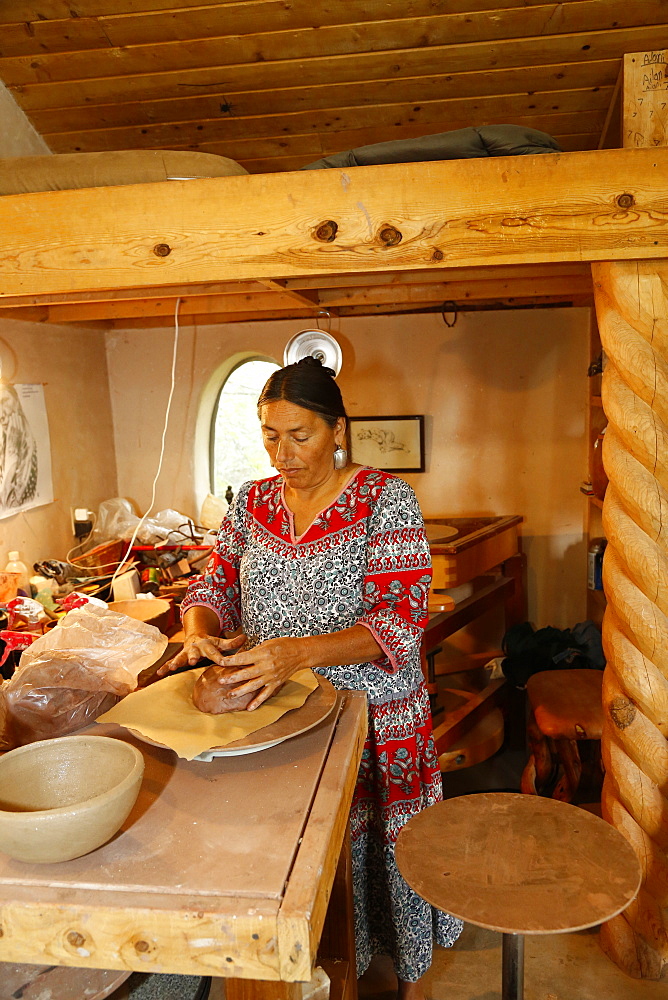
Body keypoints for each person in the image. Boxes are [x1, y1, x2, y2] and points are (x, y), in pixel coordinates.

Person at [160, 356, 462, 999]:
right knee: (295, 852)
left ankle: (386, 970)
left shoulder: (386, 499)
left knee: (371, 849)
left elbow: (398, 624)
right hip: (282, 704)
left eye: (300, 436)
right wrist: (198, 629)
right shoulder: (252, 501)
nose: (283, 453)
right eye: (271, 435)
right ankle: (306, 966)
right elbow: (216, 582)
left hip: (373, 712)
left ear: (338, 429)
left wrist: (296, 653)